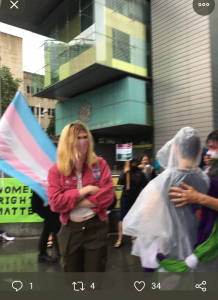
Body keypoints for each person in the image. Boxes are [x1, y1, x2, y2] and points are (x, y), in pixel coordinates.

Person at [123, 127, 218, 272]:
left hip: (172, 258)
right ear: (199, 150)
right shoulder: (211, 182)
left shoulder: (162, 182)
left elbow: (146, 217)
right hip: (206, 257)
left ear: (176, 149)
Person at [47, 121, 114, 272]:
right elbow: (55, 203)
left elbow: (108, 197)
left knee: (94, 281)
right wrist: (86, 190)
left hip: (95, 226)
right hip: (70, 229)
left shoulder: (100, 164)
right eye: (78, 138)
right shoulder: (56, 171)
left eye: (85, 137)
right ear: (68, 142)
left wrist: (71, 201)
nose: (83, 142)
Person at [114, 157, 147, 248]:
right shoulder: (126, 171)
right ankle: (120, 238)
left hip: (136, 198)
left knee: (135, 218)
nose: (134, 164)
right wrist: (124, 173)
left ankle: (133, 237)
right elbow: (120, 182)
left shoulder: (140, 173)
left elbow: (146, 184)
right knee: (122, 218)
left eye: (136, 162)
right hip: (125, 197)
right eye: (132, 163)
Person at [31, 191, 61, 263]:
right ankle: (44, 254)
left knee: (49, 229)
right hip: (48, 208)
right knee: (54, 230)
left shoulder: (43, 183)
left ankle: (43, 254)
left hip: (48, 208)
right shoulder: (44, 184)